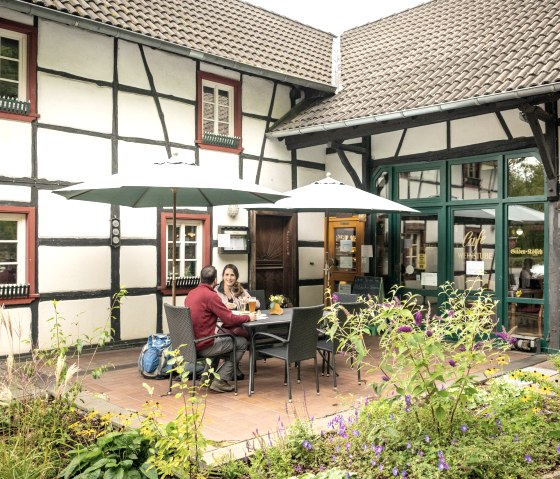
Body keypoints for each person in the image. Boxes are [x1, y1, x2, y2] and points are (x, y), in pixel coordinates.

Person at [185, 265, 256, 392]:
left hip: (190, 345)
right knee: (241, 342)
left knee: (220, 339)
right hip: (203, 345)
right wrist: (249, 318)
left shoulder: (191, 293)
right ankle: (220, 380)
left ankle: (206, 379)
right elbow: (229, 319)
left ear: (201, 278)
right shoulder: (211, 296)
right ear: (215, 280)